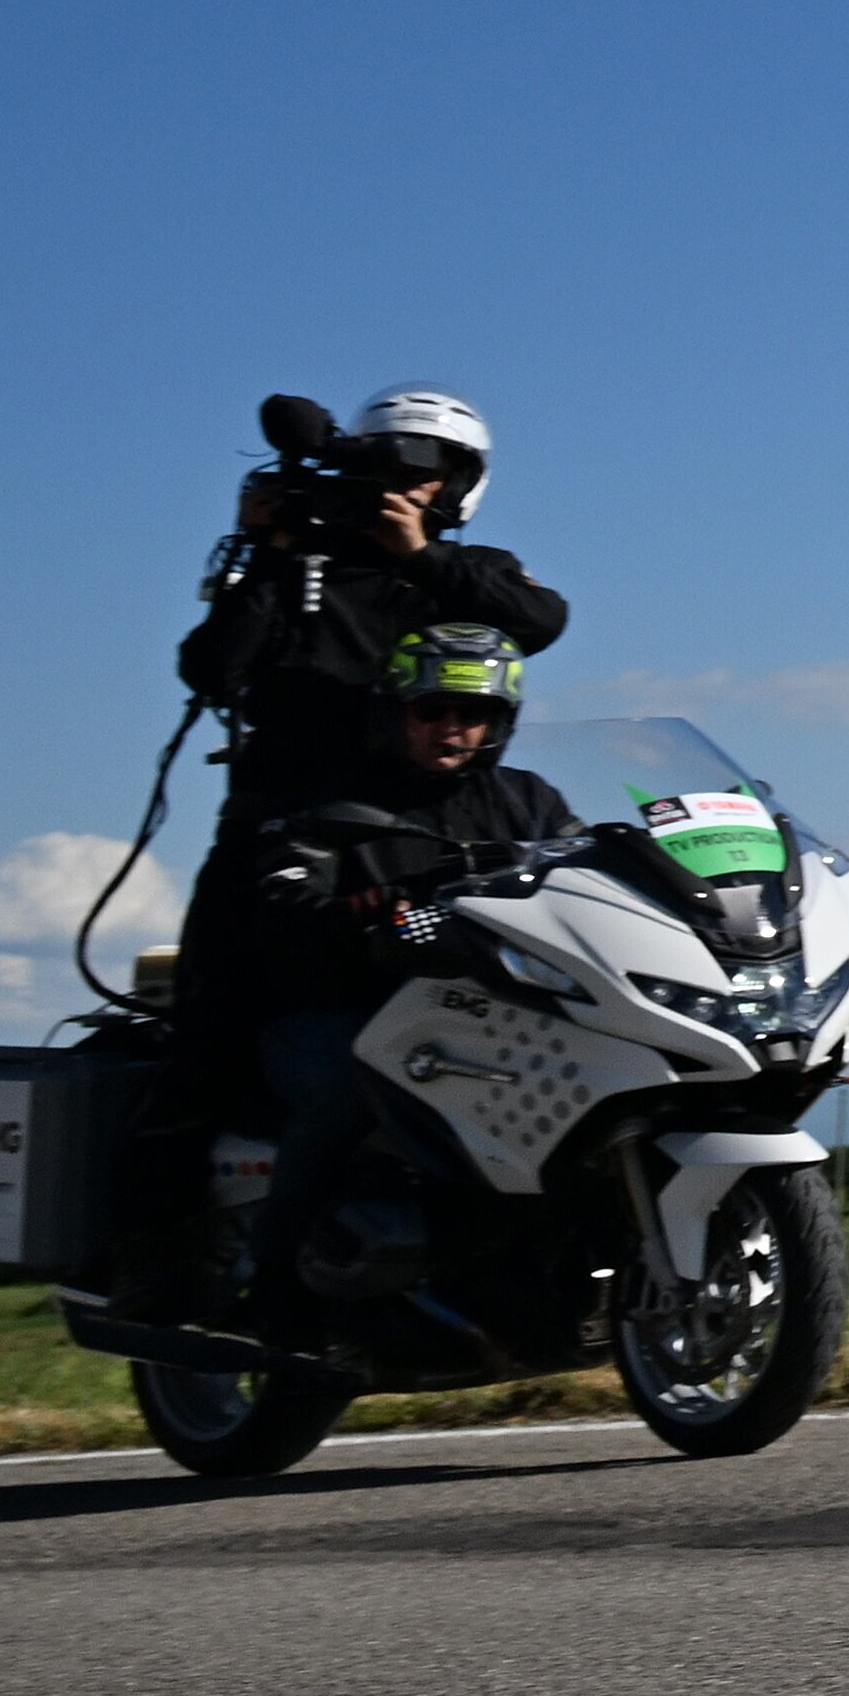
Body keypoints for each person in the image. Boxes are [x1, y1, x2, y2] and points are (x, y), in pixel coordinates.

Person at [170, 384, 567, 1034]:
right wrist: (270, 551)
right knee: (209, 1047)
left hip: (427, 837)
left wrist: (420, 556)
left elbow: (543, 620)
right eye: (386, 472)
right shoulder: (298, 568)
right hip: (284, 833)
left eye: (423, 475)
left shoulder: (467, 570)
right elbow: (211, 669)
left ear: (457, 483)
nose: (402, 490)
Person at [233, 623, 579, 1350]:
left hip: (485, 1013)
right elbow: (282, 890)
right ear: (400, 711)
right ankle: (275, 1280)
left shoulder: (528, 802)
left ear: (498, 723)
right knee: (354, 1079)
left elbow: (585, 872)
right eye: (433, 711)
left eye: (471, 714)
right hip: (340, 1013)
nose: (452, 729)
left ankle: (521, 1266)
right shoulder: (338, 796)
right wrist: (357, 910)